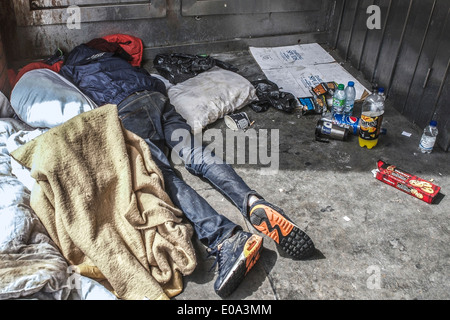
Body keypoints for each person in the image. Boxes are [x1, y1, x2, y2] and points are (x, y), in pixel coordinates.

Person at [59, 41, 315, 297]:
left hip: (127, 112)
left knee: (163, 175)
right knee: (198, 155)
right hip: (157, 99)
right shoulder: (116, 58)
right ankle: (252, 201)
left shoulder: (71, 68)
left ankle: (225, 237)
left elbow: (74, 99)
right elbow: (144, 69)